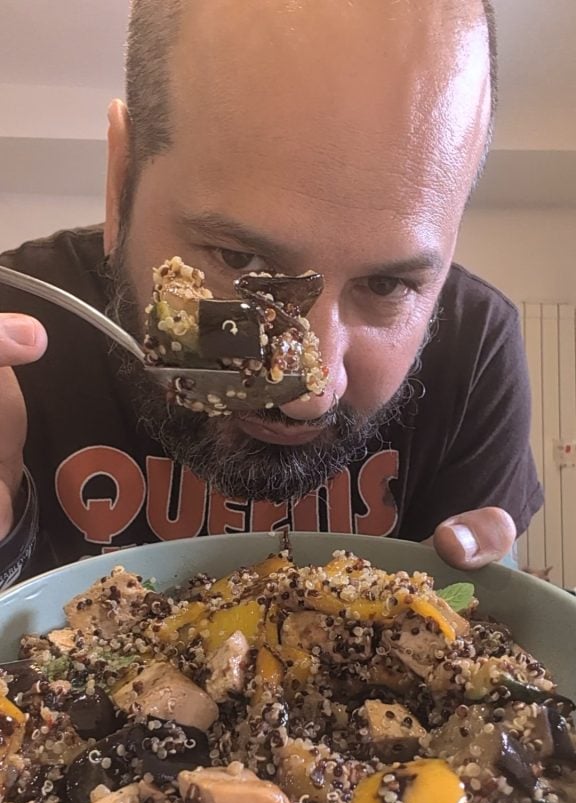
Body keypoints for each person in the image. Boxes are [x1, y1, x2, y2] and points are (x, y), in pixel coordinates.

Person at [0, 0, 543, 590]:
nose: (309, 398)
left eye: (387, 285)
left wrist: (495, 607)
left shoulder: (475, 346)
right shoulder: (21, 328)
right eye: (239, 260)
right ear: (120, 182)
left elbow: (474, 604)